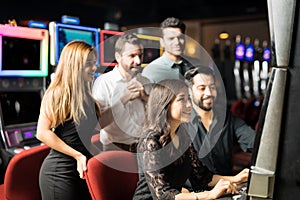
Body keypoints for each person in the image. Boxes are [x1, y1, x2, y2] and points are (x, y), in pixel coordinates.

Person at [133, 79, 249, 200]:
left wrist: (236, 179)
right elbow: (162, 195)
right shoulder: (150, 140)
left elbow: (202, 177)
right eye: (182, 99)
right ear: (165, 104)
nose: (189, 105)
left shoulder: (183, 135)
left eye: (189, 99)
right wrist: (209, 194)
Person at [36, 40, 101, 199]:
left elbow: (85, 135)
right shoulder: (58, 93)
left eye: (94, 63)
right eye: (89, 64)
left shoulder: (86, 94)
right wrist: (77, 155)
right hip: (60, 173)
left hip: (80, 170)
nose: (94, 68)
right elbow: (42, 133)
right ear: (75, 65)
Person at [183, 66, 256, 190]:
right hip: (195, 194)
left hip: (228, 190)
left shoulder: (226, 117)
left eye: (212, 87)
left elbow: (254, 142)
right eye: (202, 88)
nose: (209, 93)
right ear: (189, 92)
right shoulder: (181, 123)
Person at [92, 33, 150, 153]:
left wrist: (145, 97)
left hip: (143, 147)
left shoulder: (145, 80)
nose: (138, 61)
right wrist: (123, 99)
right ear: (118, 57)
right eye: (132, 56)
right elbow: (98, 124)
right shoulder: (104, 82)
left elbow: (158, 115)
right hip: (115, 148)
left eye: (140, 55)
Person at [142, 17, 197, 83]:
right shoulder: (151, 70)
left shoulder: (196, 64)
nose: (177, 42)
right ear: (162, 42)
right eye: (171, 38)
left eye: (180, 37)